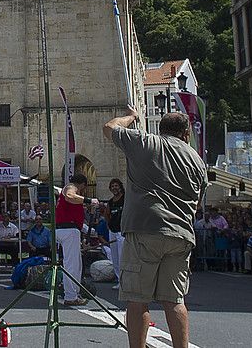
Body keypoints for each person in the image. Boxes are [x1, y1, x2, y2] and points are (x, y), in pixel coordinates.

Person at [103, 108, 207, 348]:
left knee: (138, 300)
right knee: (174, 300)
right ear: (186, 133)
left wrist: (131, 117)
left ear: (161, 129)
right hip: (181, 234)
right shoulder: (196, 160)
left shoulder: (146, 143)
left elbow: (109, 128)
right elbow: (198, 202)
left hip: (145, 229)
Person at [55, 173, 91, 306]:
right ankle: (70, 296)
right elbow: (70, 196)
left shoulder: (68, 189)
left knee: (76, 264)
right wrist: (88, 200)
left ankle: (74, 293)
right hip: (68, 229)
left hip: (69, 230)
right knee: (72, 265)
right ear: (82, 184)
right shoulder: (71, 188)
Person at [104, 177, 126, 287]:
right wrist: (109, 225)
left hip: (122, 232)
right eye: (112, 186)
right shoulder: (111, 202)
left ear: (120, 187)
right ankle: (119, 280)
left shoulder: (125, 198)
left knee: (122, 257)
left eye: (116, 185)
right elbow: (107, 214)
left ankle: (124, 281)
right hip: (113, 231)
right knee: (115, 257)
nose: (114, 188)